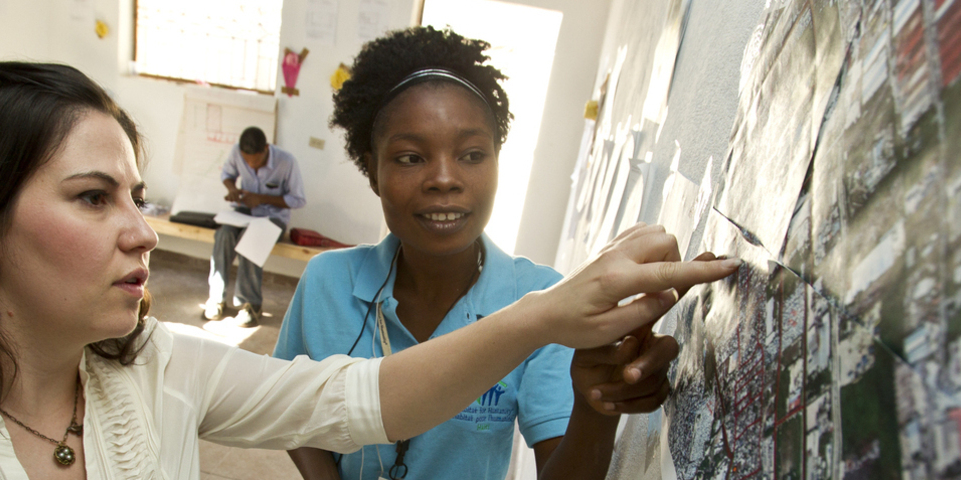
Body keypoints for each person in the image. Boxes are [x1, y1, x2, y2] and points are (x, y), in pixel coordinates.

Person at [0, 62, 737, 479]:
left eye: (137, 196)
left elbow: (361, 401)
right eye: (96, 199)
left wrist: (545, 316)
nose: (141, 232)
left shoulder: (159, 368)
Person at [273, 26, 716, 480]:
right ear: (372, 170)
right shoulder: (327, 282)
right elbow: (285, 406)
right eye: (410, 157)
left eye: (471, 154)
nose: (444, 178)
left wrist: (595, 409)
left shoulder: (546, 300)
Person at [204, 126, 305, 327]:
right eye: (246, 161)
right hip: (244, 211)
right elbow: (227, 174)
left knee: (253, 239)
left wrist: (261, 199)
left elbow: (298, 200)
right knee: (223, 234)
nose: (251, 165)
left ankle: (250, 304)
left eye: (256, 162)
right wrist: (232, 190)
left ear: (266, 148)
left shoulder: (287, 161)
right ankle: (216, 299)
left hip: (274, 217)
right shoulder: (236, 151)